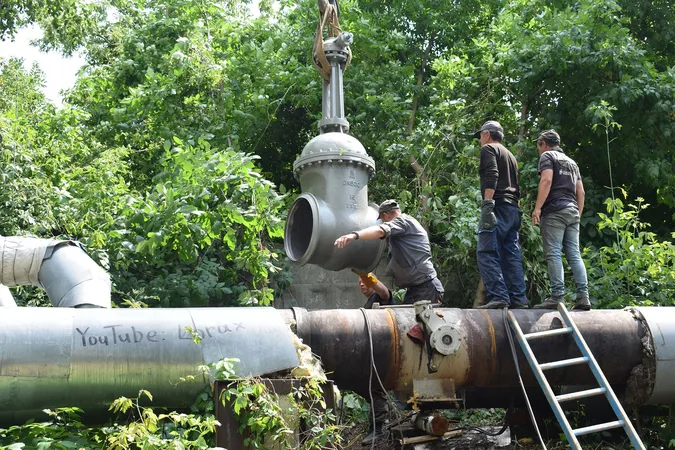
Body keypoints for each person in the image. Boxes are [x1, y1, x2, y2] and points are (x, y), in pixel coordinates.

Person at [334, 199, 444, 304]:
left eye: (382, 220)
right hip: (417, 288)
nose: (383, 222)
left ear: (386, 216)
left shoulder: (402, 221)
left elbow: (380, 231)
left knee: (422, 322)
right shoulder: (403, 229)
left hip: (425, 287)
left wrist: (354, 235)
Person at [531, 130, 591, 311]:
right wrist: (577, 215)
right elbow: (581, 192)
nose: (538, 150)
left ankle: (557, 296)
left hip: (555, 210)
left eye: (538, 145)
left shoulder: (547, 156)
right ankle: (583, 296)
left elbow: (546, 180)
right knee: (574, 254)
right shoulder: (572, 163)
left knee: (554, 253)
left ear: (543, 143)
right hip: (572, 210)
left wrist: (538, 207)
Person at [473, 120, 529, 309]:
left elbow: (492, 174)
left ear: (487, 134)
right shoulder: (510, 155)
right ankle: (518, 299)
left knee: (486, 251)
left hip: (497, 207)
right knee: (511, 254)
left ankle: (499, 296)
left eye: (480, 135)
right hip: (512, 209)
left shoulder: (489, 149)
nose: (480, 140)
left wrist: (488, 204)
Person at [353, 271, 391, 444]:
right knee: (367, 387)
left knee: (374, 389)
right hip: (373, 353)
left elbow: (385, 292)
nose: (361, 284)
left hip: (384, 353)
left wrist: (367, 275)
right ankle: (381, 422)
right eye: (359, 281)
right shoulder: (369, 302)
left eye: (364, 280)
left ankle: (379, 429)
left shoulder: (380, 296)